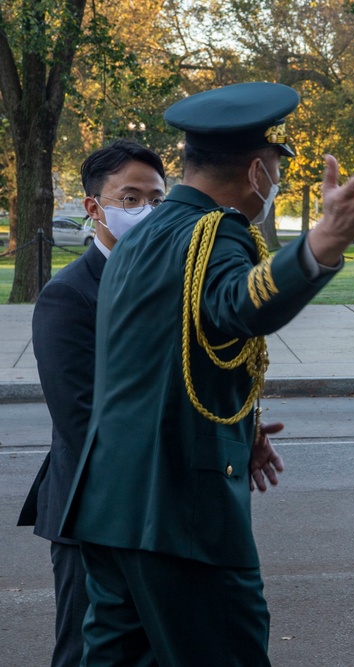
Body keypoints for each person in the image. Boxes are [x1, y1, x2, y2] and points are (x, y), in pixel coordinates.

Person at [58, 82, 354, 666]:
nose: (278, 182)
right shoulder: (212, 233)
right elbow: (237, 304)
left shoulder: (146, 235)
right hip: (179, 514)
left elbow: (166, 357)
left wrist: (241, 428)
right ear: (257, 170)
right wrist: (324, 241)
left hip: (115, 505)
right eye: (277, 168)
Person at [17, 140, 166, 667]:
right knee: (87, 653)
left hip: (158, 514)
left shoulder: (169, 283)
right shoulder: (67, 295)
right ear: (94, 206)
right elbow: (80, 417)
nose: (144, 210)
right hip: (92, 511)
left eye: (155, 198)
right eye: (130, 198)